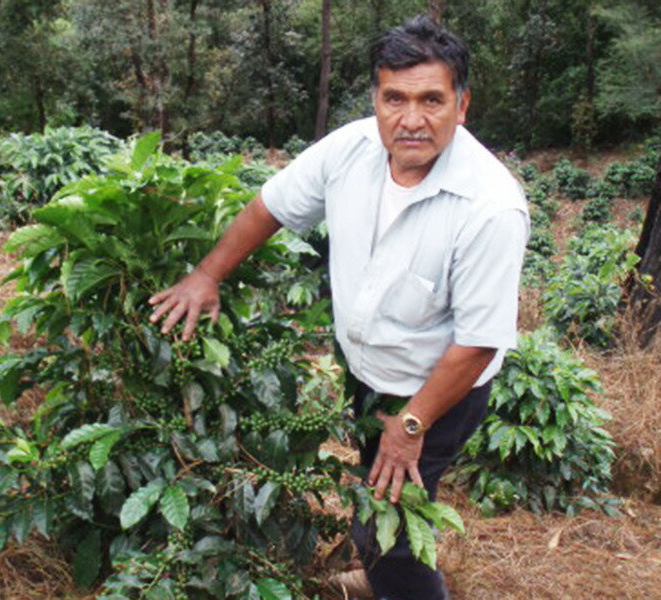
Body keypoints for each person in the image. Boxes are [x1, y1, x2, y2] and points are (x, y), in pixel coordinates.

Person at [149, 14, 529, 600]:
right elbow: (270, 206)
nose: (411, 120)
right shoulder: (348, 150)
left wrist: (411, 425)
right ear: (375, 99)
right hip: (370, 372)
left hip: (438, 393)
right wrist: (206, 274)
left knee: (386, 524)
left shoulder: (490, 206)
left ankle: (393, 578)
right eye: (394, 98)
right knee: (378, 498)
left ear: (462, 104)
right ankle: (381, 573)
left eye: (432, 100)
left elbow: (478, 342)